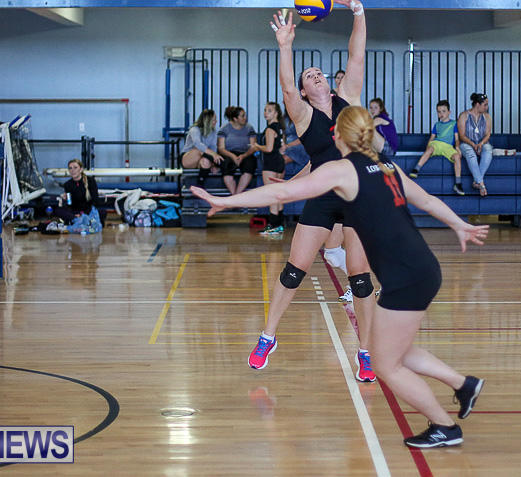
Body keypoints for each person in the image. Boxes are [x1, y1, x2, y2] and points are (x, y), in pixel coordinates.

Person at [192, 105, 489, 448]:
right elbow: (427, 200)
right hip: (421, 268)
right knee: (392, 349)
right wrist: (459, 225)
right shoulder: (387, 166)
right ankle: (463, 385)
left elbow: (282, 193)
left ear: (337, 136)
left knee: (385, 364)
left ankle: (444, 426)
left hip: (406, 276)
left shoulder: (343, 171)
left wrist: (226, 202)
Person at [249, 0, 379, 382]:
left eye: (318, 72)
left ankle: (365, 352)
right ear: (306, 91)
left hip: (358, 196)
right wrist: (285, 46)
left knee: (360, 279)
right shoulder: (303, 115)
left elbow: (356, 56)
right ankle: (267, 337)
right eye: (310, 76)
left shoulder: (349, 98)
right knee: (294, 270)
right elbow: (287, 87)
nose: (316, 75)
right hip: (324, 197)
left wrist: (358, 12)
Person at [409, 99, 464, 195]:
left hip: (448, 147)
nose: (441, 114)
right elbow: (432, 138)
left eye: (444, 111)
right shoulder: (437, 125)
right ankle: (416, 169)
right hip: (437, 144)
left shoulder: (454, 123)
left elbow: (456, 139)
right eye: (439, 112)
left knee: (457, 157)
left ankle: (458, 183)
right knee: (430, 149)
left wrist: (457, 148)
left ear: (449, 112)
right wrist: (428, 147)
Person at [255, 101, 286, 234]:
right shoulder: (280, 128)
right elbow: (283, 148)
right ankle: (279, 224)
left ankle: (273, 225)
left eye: (269, 110)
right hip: (279, 163)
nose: (265, 113)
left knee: (272, 195)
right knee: (278, 194)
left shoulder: (270, 129)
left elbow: (268, 148)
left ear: (276, 113)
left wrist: (257, 146)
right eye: (265, 110)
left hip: (270, 164)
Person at [457, 93, 493, 196]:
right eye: (485, 105)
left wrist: (481, 143)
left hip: (481, 142)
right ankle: (481, 183)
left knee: (488, 150)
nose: (487, 107)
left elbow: (488, 134)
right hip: (466, 143)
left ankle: (476, 181)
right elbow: (462, 135)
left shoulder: (487, 117)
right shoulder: (464, 116)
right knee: (470, 153)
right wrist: (473, 144)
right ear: (477, 104)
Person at [217, 106, 258, 196]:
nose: (245, 118)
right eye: (242, 116)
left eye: (245, 115)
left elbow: (253, 147)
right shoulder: (224, 129)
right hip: (229, 153)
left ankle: (237, 195)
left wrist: (243, 156)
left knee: (250, 165)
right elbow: (221, 148)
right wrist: (233, 156)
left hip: (245, 153)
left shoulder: (249, 128)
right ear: (235, 119)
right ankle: (234, 195)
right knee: (226, 165)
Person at [181, 108, 222, 187]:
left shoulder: (213, 132)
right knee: (199, 150)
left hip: (203, 157)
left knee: (206, 161)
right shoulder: (194, 129)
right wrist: (214, 155)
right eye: (214, 120)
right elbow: (198, 144)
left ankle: (200, 184)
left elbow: (213, 147)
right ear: (207, 121)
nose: (216, 121)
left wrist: (214, 164)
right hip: (188, 158)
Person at [54, 159, 100, 224]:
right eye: (70, 168)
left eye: (75, 168)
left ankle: (78, 220)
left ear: (81, 169)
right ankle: (79, 219)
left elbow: (95, 201)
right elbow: (70, 204)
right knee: (58, 211)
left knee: (101, 212)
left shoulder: (90, 181)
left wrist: (83, 214)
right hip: (75, 212)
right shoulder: (67, 184)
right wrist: (65, 200)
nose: (72, 170)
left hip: (88, 211)